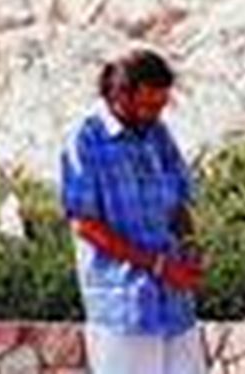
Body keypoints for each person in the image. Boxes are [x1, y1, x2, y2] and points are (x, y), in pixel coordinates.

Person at [60, 49, 206, 373]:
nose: (155, 114)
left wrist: (190, 246)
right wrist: (156, 266)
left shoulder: (158, 134)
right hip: (123, 308)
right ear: (121, 96)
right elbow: (84, 224)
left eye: (161, 106)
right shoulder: (85, 140)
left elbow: (179, 200)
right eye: (148, 106)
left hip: (175, 307)